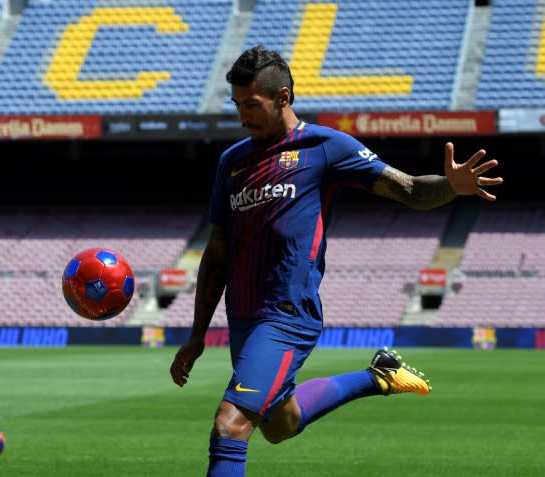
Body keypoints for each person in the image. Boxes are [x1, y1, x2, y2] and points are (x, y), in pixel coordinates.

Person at [169, 45, 503, 477]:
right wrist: (197, 336)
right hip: (244, 320)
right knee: (279, 424)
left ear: (283, 98)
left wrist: (450, 187)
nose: (242, 116)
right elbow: (216, 255)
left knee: (230, 426)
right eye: (236, 105)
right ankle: (378, 376)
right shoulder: (231, 162)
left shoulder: (324, 146)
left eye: (251, 105)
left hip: (287, 316)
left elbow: (407, 189)